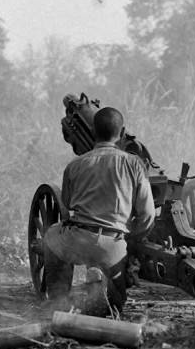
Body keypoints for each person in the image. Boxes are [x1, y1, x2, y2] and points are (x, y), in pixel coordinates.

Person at [43, 106, 155, 315]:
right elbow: (148, 215)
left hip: (79, 241)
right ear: (122, 134)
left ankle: (58, 300)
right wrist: (132, 240)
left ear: (94, 132)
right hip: (113, 248)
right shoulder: (134, 164)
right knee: (113, 308)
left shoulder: (75, 165)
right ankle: (107, 292)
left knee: (50, 235)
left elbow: (66, 204)